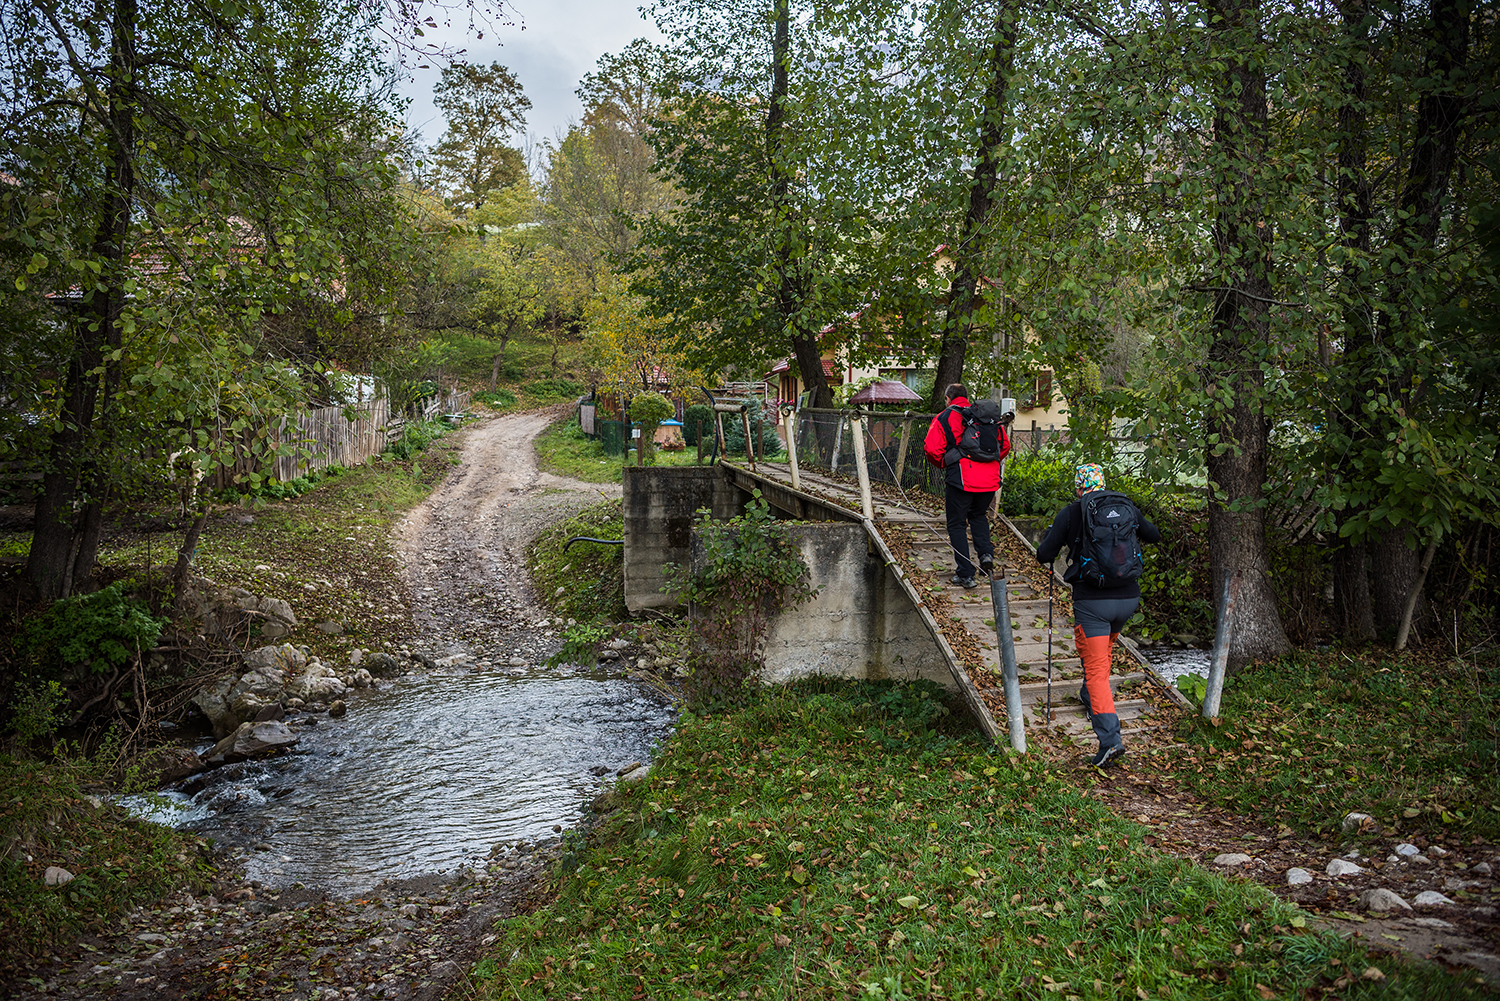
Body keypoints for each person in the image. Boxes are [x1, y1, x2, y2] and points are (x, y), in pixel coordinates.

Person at [1035, 463, 1161, 767]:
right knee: (1101, 654)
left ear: (1079, 487)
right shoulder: (1125, 506)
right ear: (1103, 484)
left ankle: (1110, 741)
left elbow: (1044, 555)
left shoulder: (1072, 512)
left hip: (1093, 603)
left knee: (1095, 669)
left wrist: (1061, 538)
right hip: (1128, 599)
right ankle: (1090, 696)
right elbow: (1153, 535)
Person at [923, 383, 1011, 588]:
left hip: (962, 478)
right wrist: (988, 464)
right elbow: (1004, 446)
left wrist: (945, 463)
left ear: (948, 398)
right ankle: (986, 555)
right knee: (979, 515)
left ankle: (965, 573)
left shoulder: (945, 417)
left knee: (956, 524)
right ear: (966, 397)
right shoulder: (983, 416)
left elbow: (932, 449)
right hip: (990, 480)